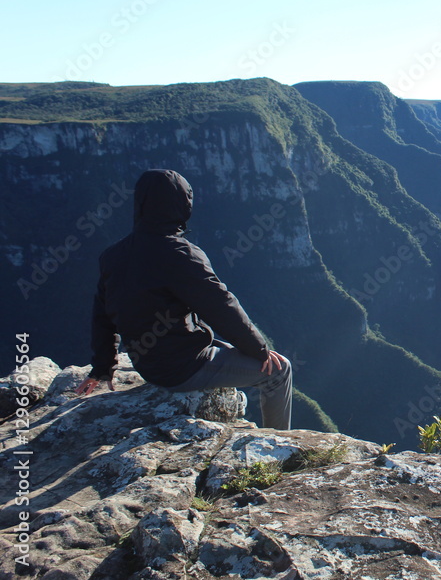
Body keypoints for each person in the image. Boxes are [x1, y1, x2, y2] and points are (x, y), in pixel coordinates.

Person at [75, 169, 293, 430]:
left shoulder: (113, 255)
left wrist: (102, 366)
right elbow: (220, 306)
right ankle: (279, 444)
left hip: (148, 363)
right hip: (182, 368)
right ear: (182, 204)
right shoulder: (180, 254)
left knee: (223, 346)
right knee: (279, 372)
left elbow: (102, 316)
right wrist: (260, 350)